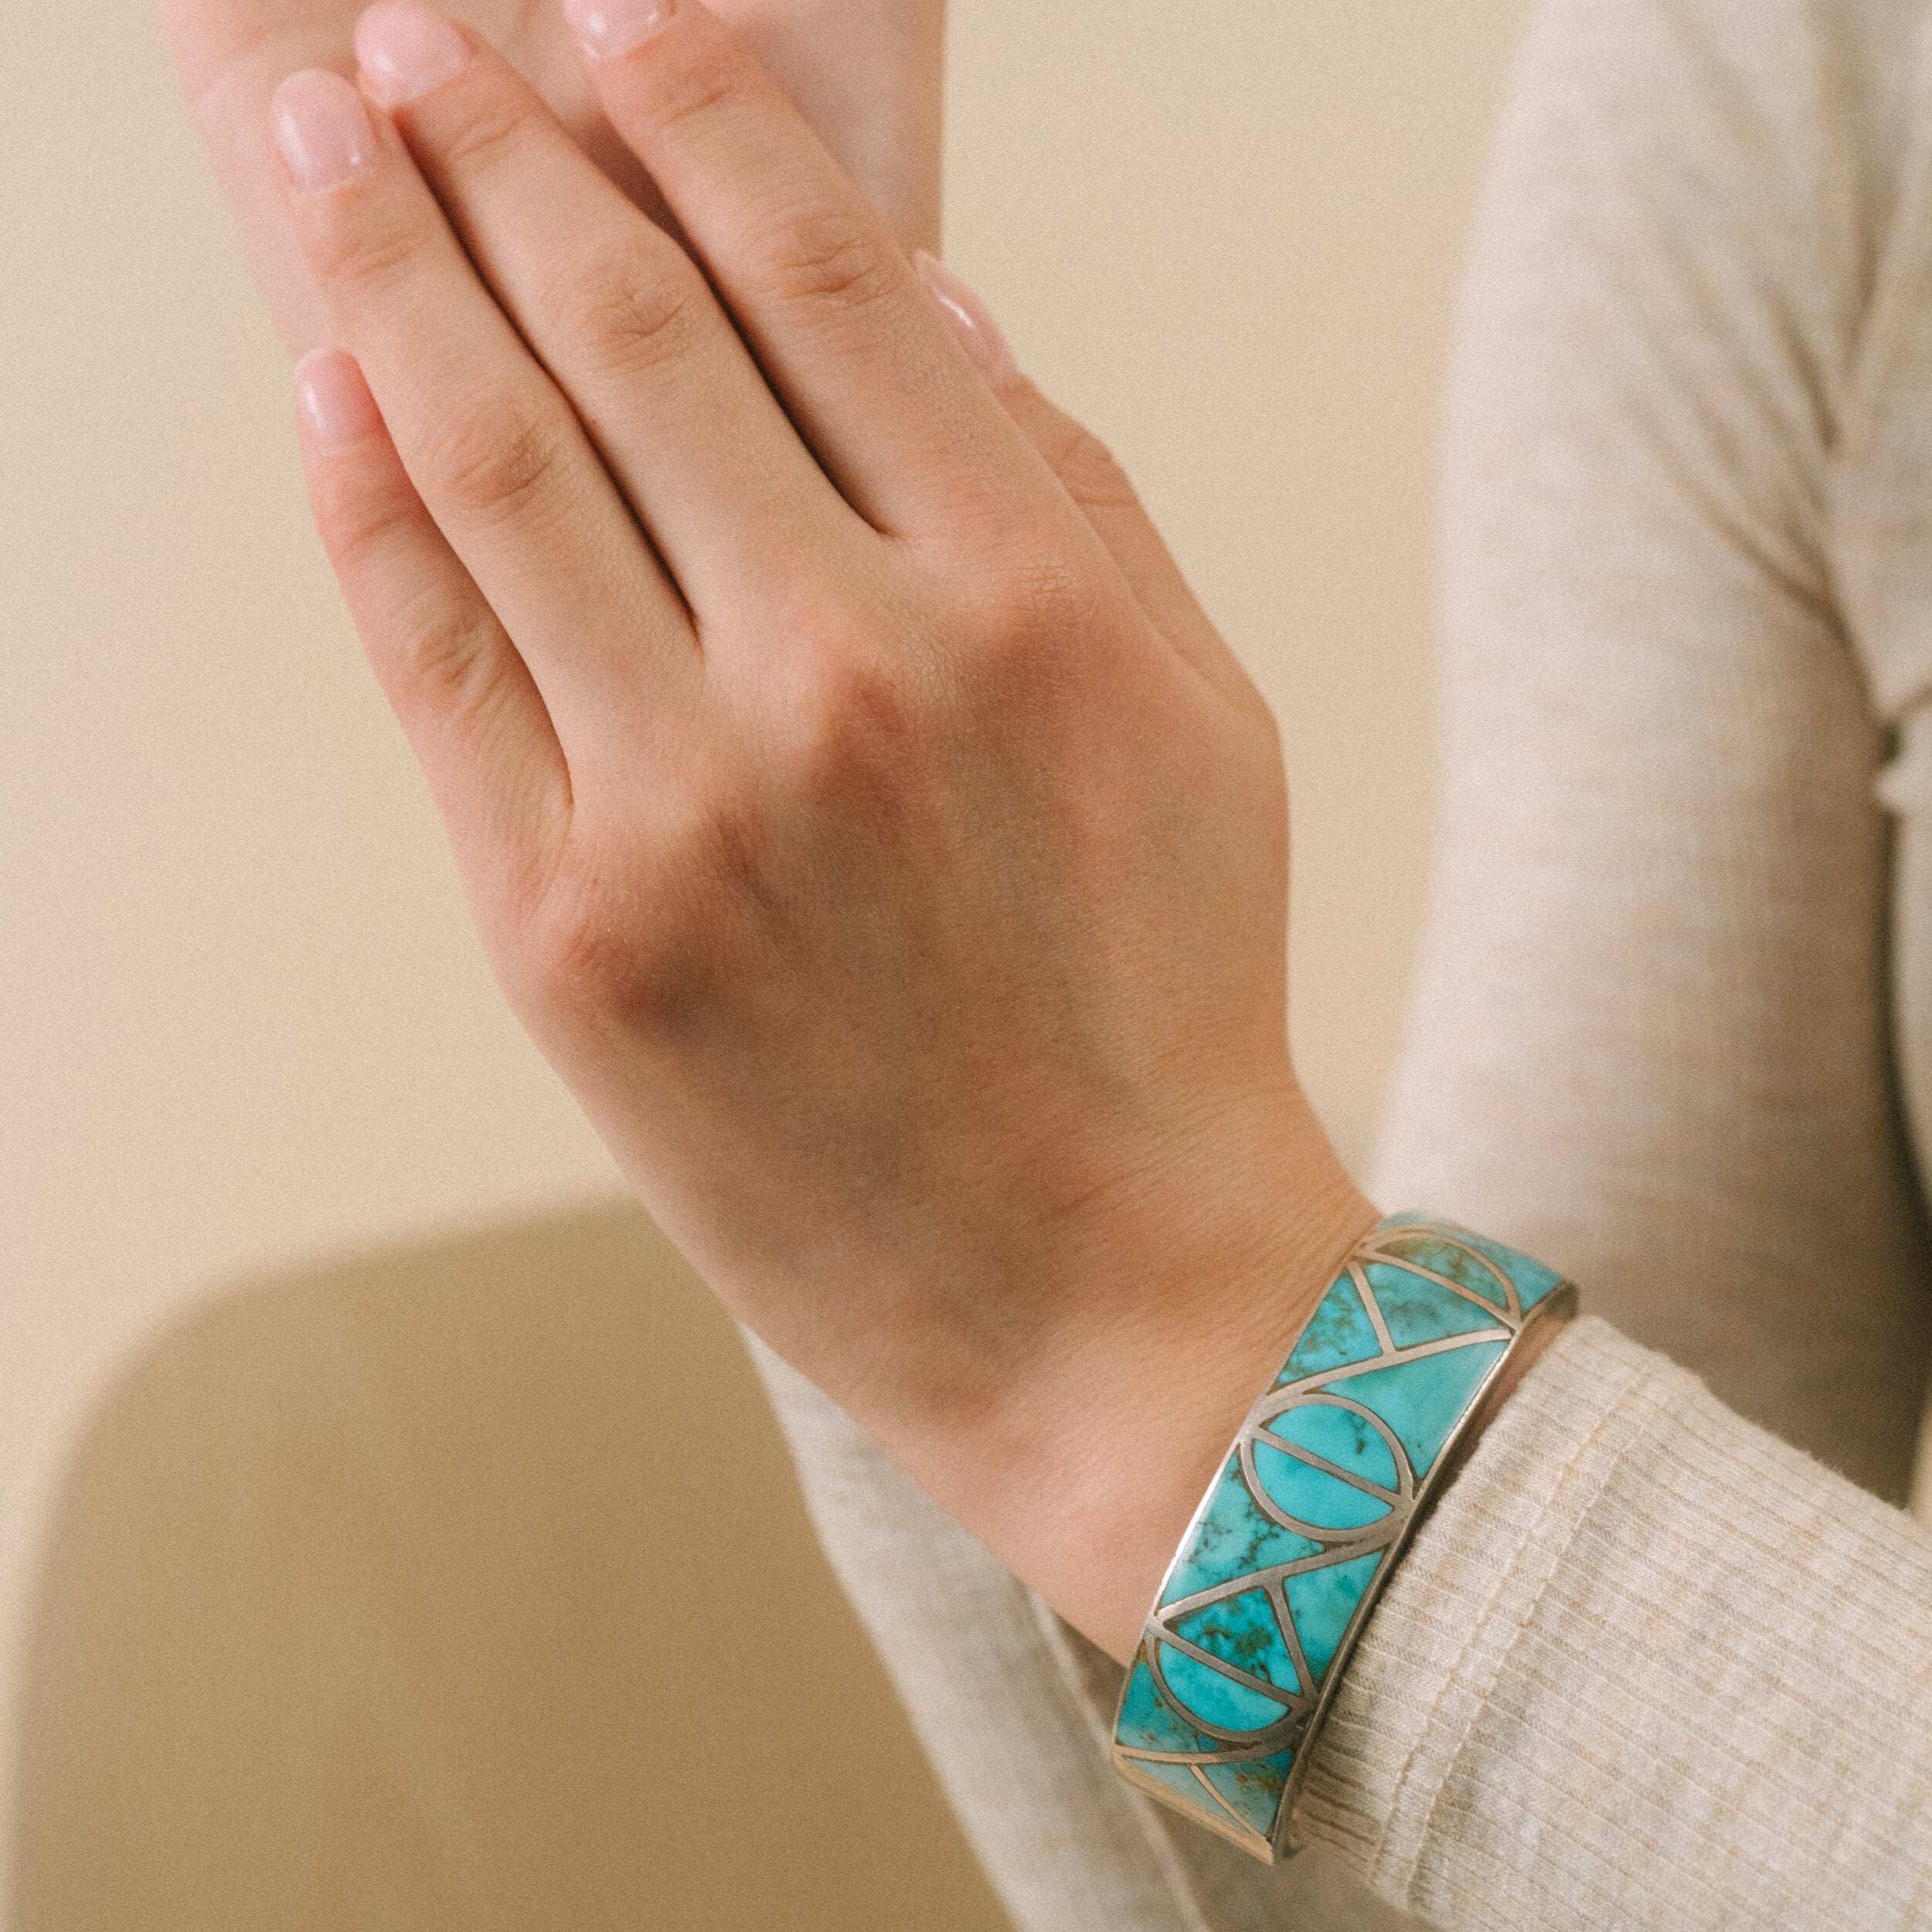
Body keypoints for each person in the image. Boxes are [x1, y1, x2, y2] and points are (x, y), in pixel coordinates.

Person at [156, 0, 1932, 1923]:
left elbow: (1267, 1417)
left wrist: (1125, 1317)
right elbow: (1508, 1824)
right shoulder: (1793, 76)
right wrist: (805, 728)